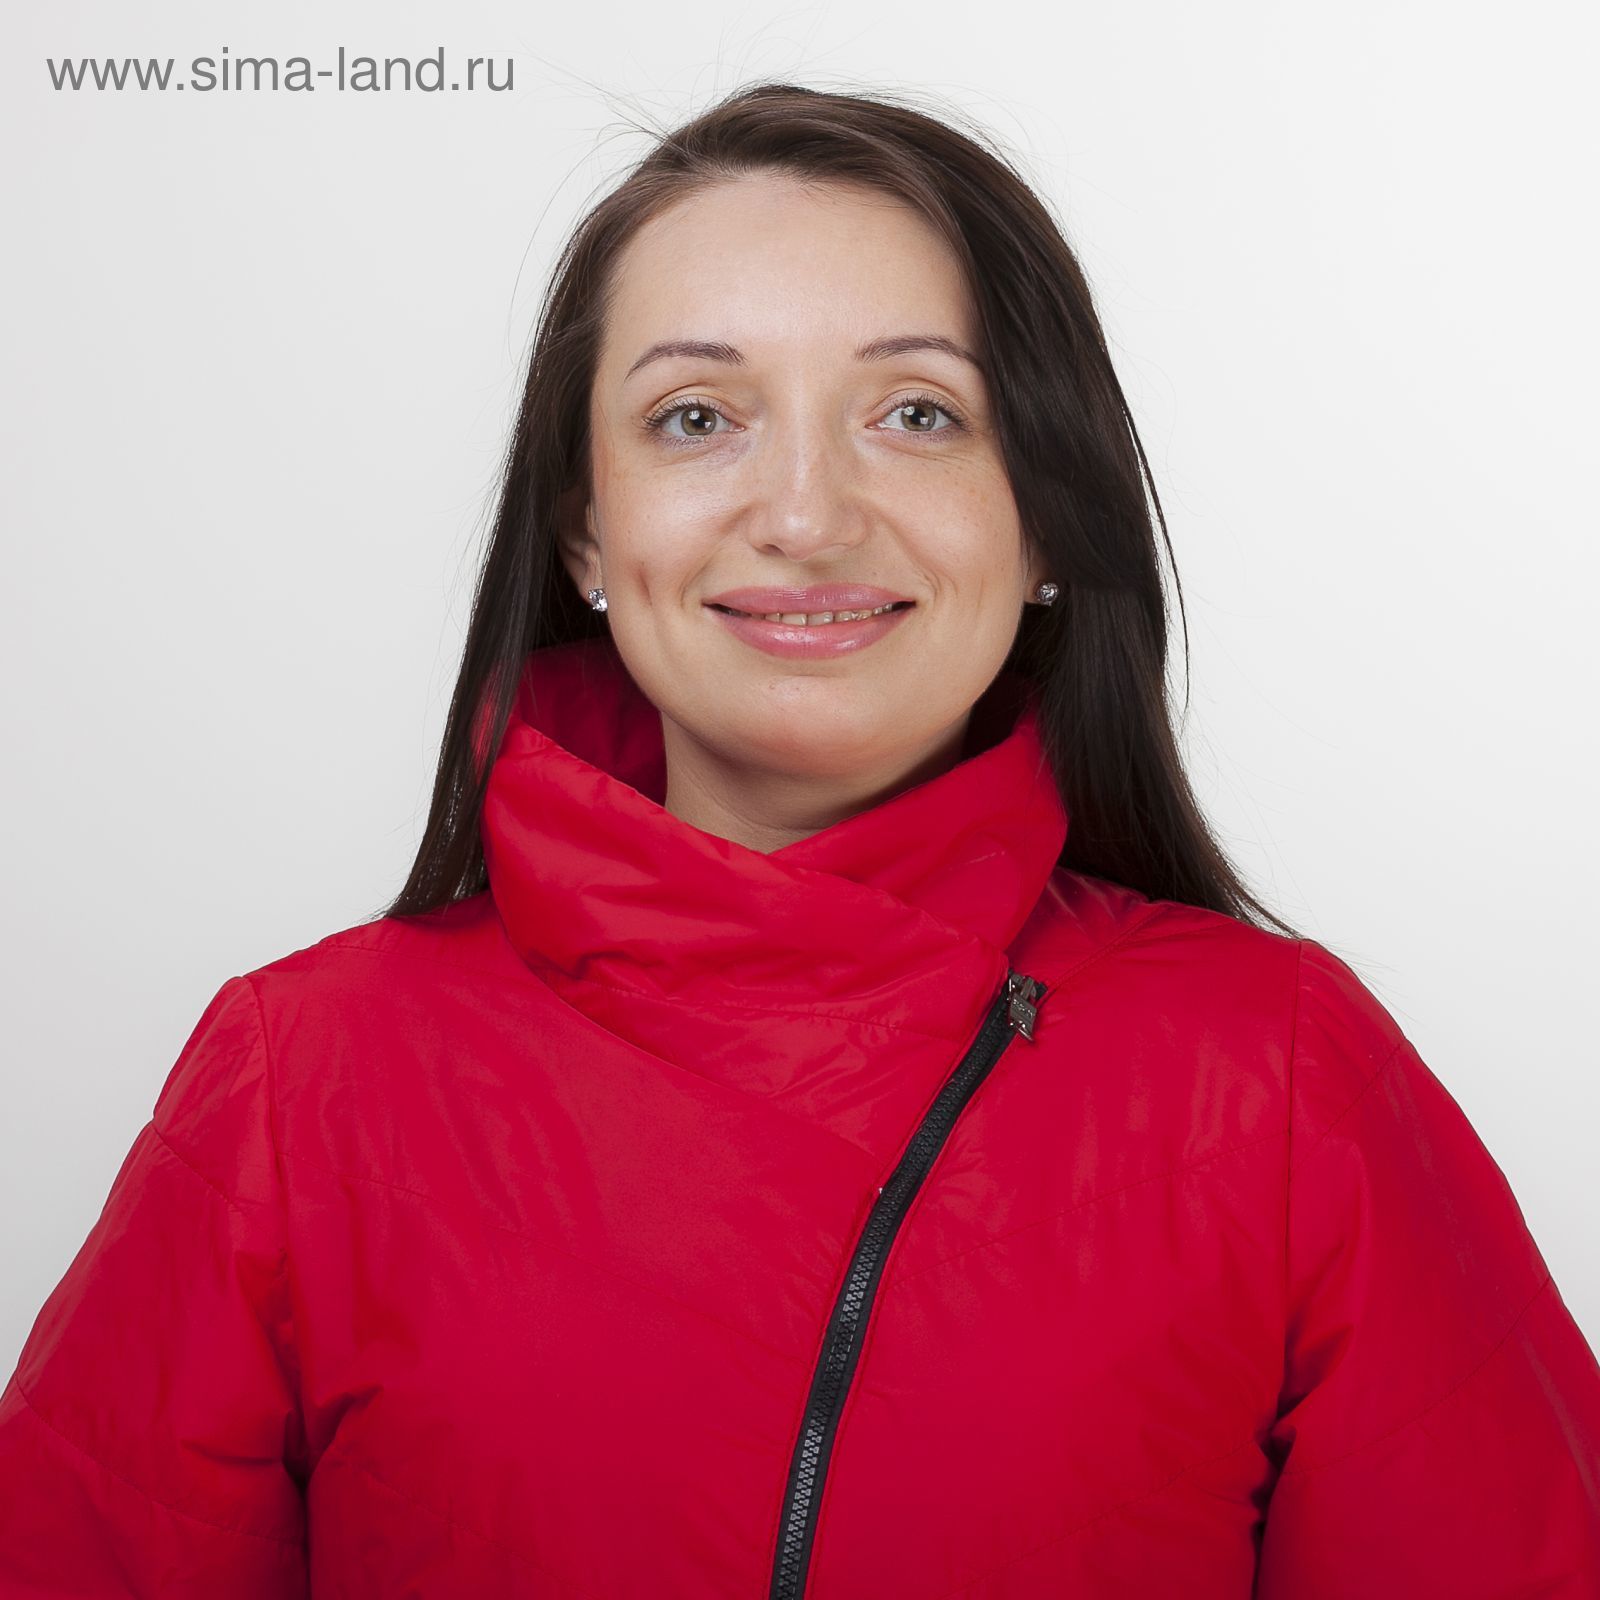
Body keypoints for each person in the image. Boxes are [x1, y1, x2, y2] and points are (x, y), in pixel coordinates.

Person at [1, 80, 1596, 1599]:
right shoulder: (300, 1083)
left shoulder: (1286, 1083)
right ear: (586, 530)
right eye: (697, 416)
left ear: (1046, 514)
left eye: (917, 412)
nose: (807, 514)